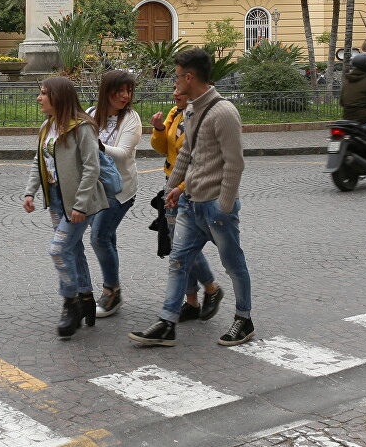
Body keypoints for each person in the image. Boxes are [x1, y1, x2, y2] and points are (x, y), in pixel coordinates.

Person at [129, 48, 254, 348]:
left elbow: (235, 163)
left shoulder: (224, 112)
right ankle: (167, 322)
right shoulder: (191, 108)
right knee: (177, 261)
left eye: (176, 76)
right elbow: (187, 153)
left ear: (189, 77)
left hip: (214, 205)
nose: (175, 82)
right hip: (190, 203)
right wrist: (172, 189)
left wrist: (224, 206)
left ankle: (244, 319)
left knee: (233, 264)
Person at [23, 76, 106, 339]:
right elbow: (40, 161)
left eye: (44, 93)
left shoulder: (82, 127)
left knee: (58, 250)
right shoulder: (47, 126)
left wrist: (81, 205)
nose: (39, 98)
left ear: (58, 97)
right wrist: (30, 191)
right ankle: (87, 299)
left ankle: (71, 303)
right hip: (56, 199)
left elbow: (92, 168)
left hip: (78, 202)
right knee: (73, 249)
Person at [149, 89, 223, 322]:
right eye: (173, 89)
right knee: (180, 244)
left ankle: (211, 287)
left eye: (179, 90)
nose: (174, 94)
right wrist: (160, 129)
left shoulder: (200, 117)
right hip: (172, 186)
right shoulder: (175, 113)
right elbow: (164, 149)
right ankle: (192, 301)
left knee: (184, 246)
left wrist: (180, 188)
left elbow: (199, 160)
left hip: (188, 189)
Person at [86, 70, 141, 318]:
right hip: (95, 188)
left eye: (128, 91)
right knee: (107, 238)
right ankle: (114, 288)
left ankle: (111, 290)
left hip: (120, 190)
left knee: (99, 237)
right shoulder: (90, 115)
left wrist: (99, 146)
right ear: (107, 91)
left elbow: (123, 153)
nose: (125, 96)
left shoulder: (131, 119)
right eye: (120, 90)